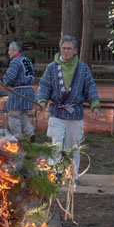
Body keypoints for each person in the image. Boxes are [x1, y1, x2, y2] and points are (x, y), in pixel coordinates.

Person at [36, 35, 100, 173]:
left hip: (75, 113)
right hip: (56, 112)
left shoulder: (83, 68)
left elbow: (90, 87)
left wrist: (95, 105)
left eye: (69, 49)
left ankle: (72, 178)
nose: (66, 51)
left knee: (72, 148)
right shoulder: (52, 68)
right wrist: (42, 101)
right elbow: (44, 86)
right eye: (63, 48)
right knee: (56, 146)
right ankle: (54, 177)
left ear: (75, 51)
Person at [2, 41, 36, 140]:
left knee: (13, 114)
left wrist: (4, 81)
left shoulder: (15, 61)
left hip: (18, 91)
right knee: (22, 114)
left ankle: (18, 137)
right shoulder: (27, 60)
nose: (8, 52)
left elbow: (11, 76)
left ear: (15, 50)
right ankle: (30, 132)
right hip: (29, 90)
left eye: (9, 50)